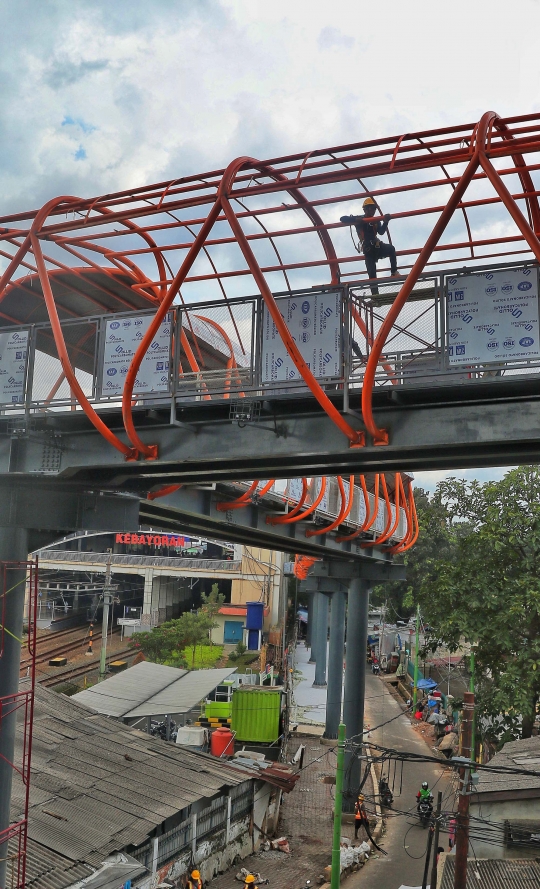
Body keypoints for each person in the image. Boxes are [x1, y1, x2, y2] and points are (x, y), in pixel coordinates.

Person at [340, 197, 398, 294]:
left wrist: (386, 221)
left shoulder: (376, 220)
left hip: (377, 246)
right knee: (372, 274)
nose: (373, 210)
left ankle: (394, 272)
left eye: (374, 208)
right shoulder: (360, 219)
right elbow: (343, 219)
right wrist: (355, 219)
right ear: (365, 209)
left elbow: (381, 232)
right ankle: (375, 296)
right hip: (368, 249)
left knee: (391, 249)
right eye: (371, 208)